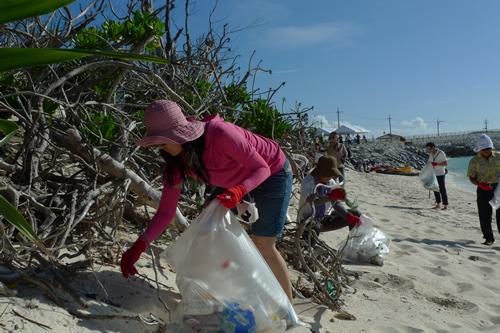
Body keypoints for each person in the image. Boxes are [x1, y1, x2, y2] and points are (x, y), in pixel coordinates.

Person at [120, 100, 294, 304]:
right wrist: (139, 245)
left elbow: (261, 168)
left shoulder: (221, 135)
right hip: (237, 177)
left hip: (272, 171)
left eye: (163, 141)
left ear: (179, 134)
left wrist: (240, 190)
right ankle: (216, 289)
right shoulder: (175, 162)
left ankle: (288, 312)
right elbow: (166, 213)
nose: (161, 148)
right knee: (207, 225)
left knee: (263, 244)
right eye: (157, 143)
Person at [298, 156, 362, 242]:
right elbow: (311, 202)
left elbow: (336, 204)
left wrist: (348, 216)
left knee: (355, 213)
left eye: (332, 174)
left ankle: (355, 244)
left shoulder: (331, 182)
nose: (330, 177)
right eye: (327, 174)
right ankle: (309, 248)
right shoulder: (307, 182)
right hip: (308, 220)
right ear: (319, 172)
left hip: (325, 218)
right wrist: (329, 196)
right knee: (314, 226)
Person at [467, 134, 500, 246]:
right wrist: (480, 185)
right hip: (483, 188)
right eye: (484, 149)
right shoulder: (474, 161)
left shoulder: (498, 157)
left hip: (498, 188)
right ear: (479, 149)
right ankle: (488, 238)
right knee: (484, 214)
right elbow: (471, 177)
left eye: (488, 148)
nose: (486, 151)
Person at [426, 142, 449, 210]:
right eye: (428, 150)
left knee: (442, 189)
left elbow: (446, 164)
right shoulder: (431, 154)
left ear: (433, 147)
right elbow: (429, 163)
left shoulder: (441, 153)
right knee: (435, 189)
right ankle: (438, 204)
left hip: (441, 173)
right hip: (433, 173)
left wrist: (437, 164)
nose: (429, 151)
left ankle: (445, 206)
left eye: (430, 149)